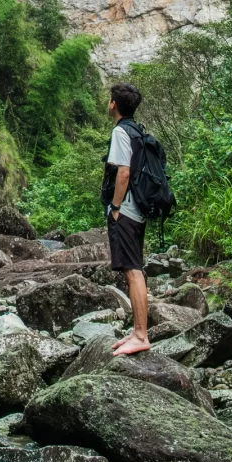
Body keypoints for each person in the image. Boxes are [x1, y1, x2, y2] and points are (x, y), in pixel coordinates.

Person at [104, 81, 150, 356]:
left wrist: (116, 206)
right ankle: (137, 331)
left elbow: (123, 173)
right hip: (139, 209)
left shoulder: (121, 132)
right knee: (134, 270)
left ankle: (141, 334)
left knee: (133, 271)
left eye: (109, 99)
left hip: (128, 210)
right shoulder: (137, 130)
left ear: (114, 104)